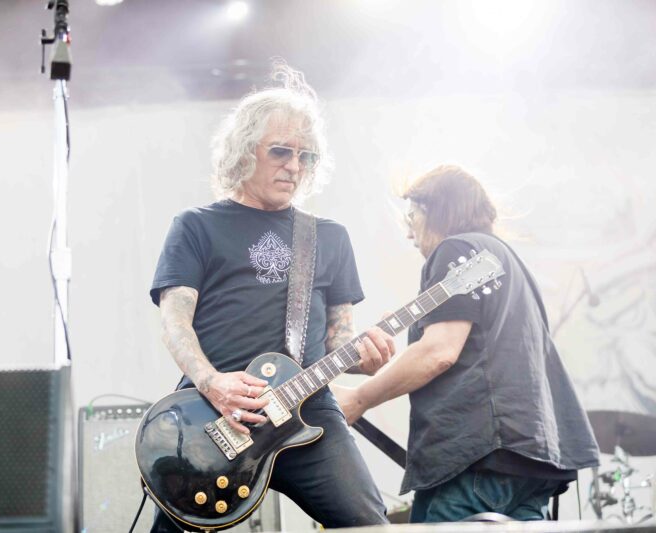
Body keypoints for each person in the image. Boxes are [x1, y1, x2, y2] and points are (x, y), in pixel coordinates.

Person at [148, 62, 395, 532]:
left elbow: (340, 340)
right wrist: (213, 384)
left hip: (308, 411)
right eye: (281, 151)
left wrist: (367, 357)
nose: (294, 166)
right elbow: (174, 323)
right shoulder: (196, 226)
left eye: (306, 157)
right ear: (245, 150)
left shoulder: (330, 237)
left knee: (368, 525)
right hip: (214, 414)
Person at [334, 165, 600, 522]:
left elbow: (439, 351)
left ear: (437, 210)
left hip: (478, 458)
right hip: (533, 460)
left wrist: (358, 398)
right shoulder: (506, 260)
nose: (409, 232)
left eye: (412, 216)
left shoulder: (455, 249)